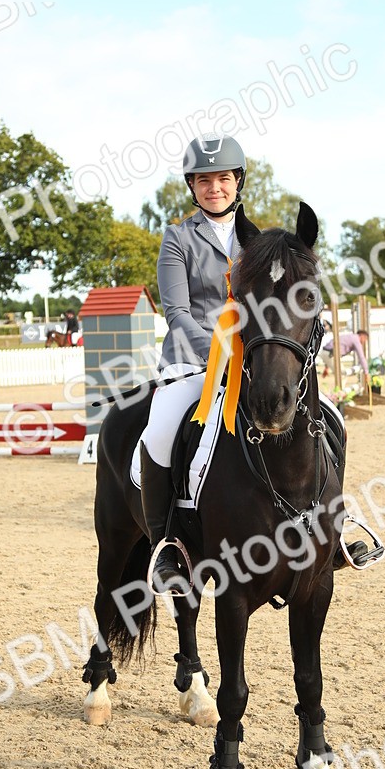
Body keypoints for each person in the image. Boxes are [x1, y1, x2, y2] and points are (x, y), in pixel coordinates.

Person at [141, 134, 248, 592]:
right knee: (161, 431)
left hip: (253, 362)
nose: (214, 188)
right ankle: (166, 543)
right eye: (204, 180)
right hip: (191, 365)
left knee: (324, 416)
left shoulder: (259, 240)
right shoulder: (177, 238)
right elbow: (178, 314)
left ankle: (330, 526)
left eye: (223, 178)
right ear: (192, 186)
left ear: (237, 182)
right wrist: (218, 356)